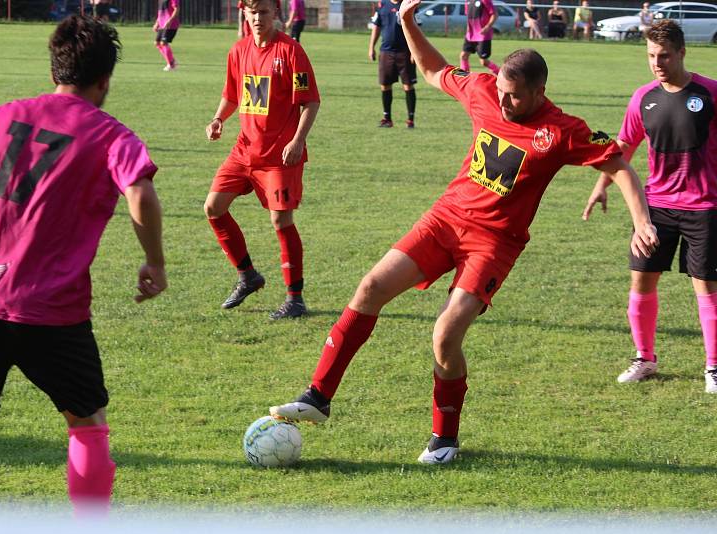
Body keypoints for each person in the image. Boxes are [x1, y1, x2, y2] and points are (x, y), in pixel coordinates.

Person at [269, 0, 659, 464]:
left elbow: (619, 166)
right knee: (370, 287)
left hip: (494, 244)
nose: (504, 101)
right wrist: (409, 23)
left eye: (515, 96)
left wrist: (642, 221)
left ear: (539, 92)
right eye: (502, 91)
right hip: (446, 219)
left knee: (445, 335)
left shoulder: (561, 130)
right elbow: (433, 70)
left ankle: (444, 439)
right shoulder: (484, 90)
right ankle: (318, 396)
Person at [0, 15, 167, 524]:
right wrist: (154, 262)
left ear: (55, 67)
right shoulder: (109, 134)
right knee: (86, 422)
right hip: (50, 309)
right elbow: (140, 192)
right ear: (105, 81)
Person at [582, 20, 717, 393]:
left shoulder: (710, 93)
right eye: (651, 56)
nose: (657, 63)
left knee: (705, 288)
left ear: (682, 53)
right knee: (641, 280)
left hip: (704, 206)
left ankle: (714, 367)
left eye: (664, 56)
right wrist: (601, 186)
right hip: (655, 208)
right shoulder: (644, 97)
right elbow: (623, 149)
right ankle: (645, 357)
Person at [205, 0, 320, 319]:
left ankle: (295, 299)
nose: (258, 18)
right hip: (244, 151)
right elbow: (232, 95)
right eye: (252, 12)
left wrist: (298, 140)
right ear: (245, 13)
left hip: (280, 156)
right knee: (213, 208)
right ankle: (248, 276)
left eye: (264, 12)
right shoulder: (238, 51)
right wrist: (218, 119)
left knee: (281, 221)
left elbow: (310, 102)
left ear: (276, 14)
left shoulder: (290, 51)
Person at [369, 0, 417, 128]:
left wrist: (414, 51)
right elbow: (376, 27)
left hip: (405, 52)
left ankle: (410, 119)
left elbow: (415, 29)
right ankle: (387, 118)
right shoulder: (382, 5)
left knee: (408, 85)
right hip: (386, 51)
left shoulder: (407, 4)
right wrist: (371, 47)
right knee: (385, 85)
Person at [460, 0, 499, 76]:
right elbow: (469, 17)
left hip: (482, 36)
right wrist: (468, 30)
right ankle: (463, 76)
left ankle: (500, 73)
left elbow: (494, 14)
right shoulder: (467, 1)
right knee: (463, 55)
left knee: (483, 62)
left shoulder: (485, 1)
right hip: (470, 35)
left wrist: (487, 27)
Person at [153, 0, 180, 71]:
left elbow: (176, 9)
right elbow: (160, 12)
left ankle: (171, 65)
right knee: (157, 43)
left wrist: (170, 21)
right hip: (162, 24)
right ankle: (172, 61)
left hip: (171, 25)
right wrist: (157, 23)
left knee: (163, 43)